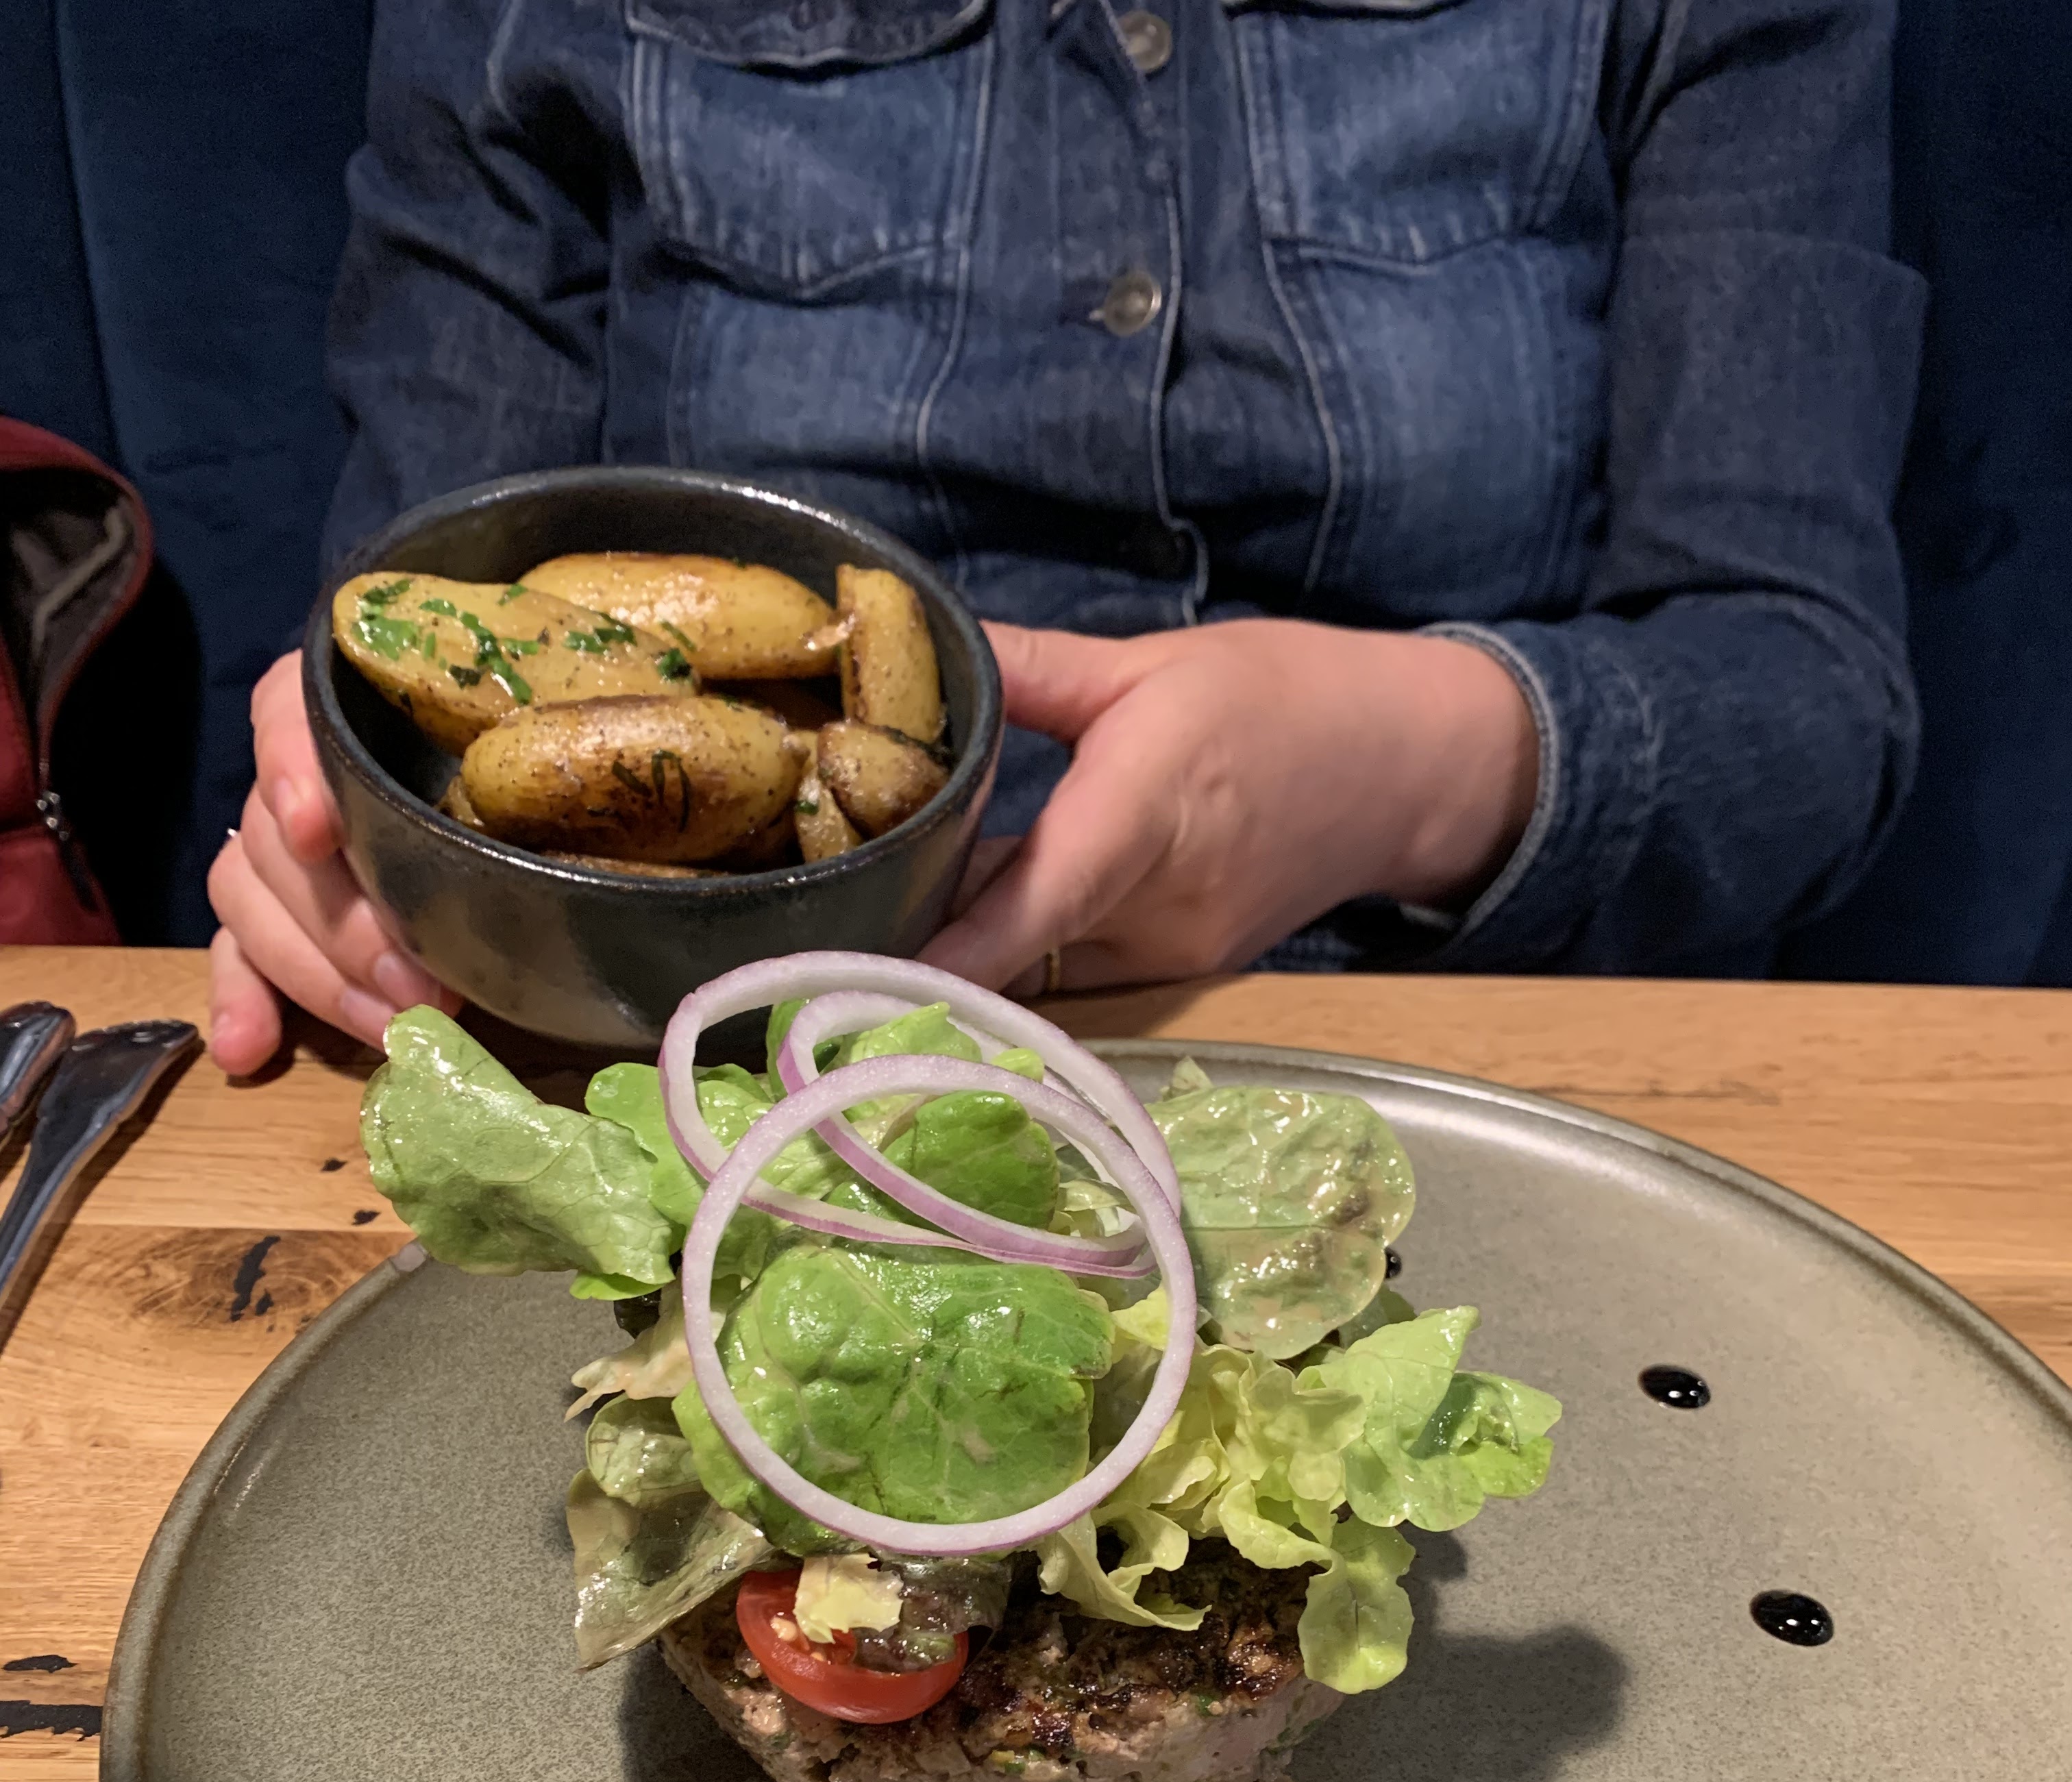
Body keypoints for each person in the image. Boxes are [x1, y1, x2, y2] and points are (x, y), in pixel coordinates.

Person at [207, 0, 1923, 1072]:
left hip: (1433, 1041)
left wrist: (1404, 773)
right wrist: (350, 851)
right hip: (706, 1070)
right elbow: (429, 614)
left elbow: (1808, 708)